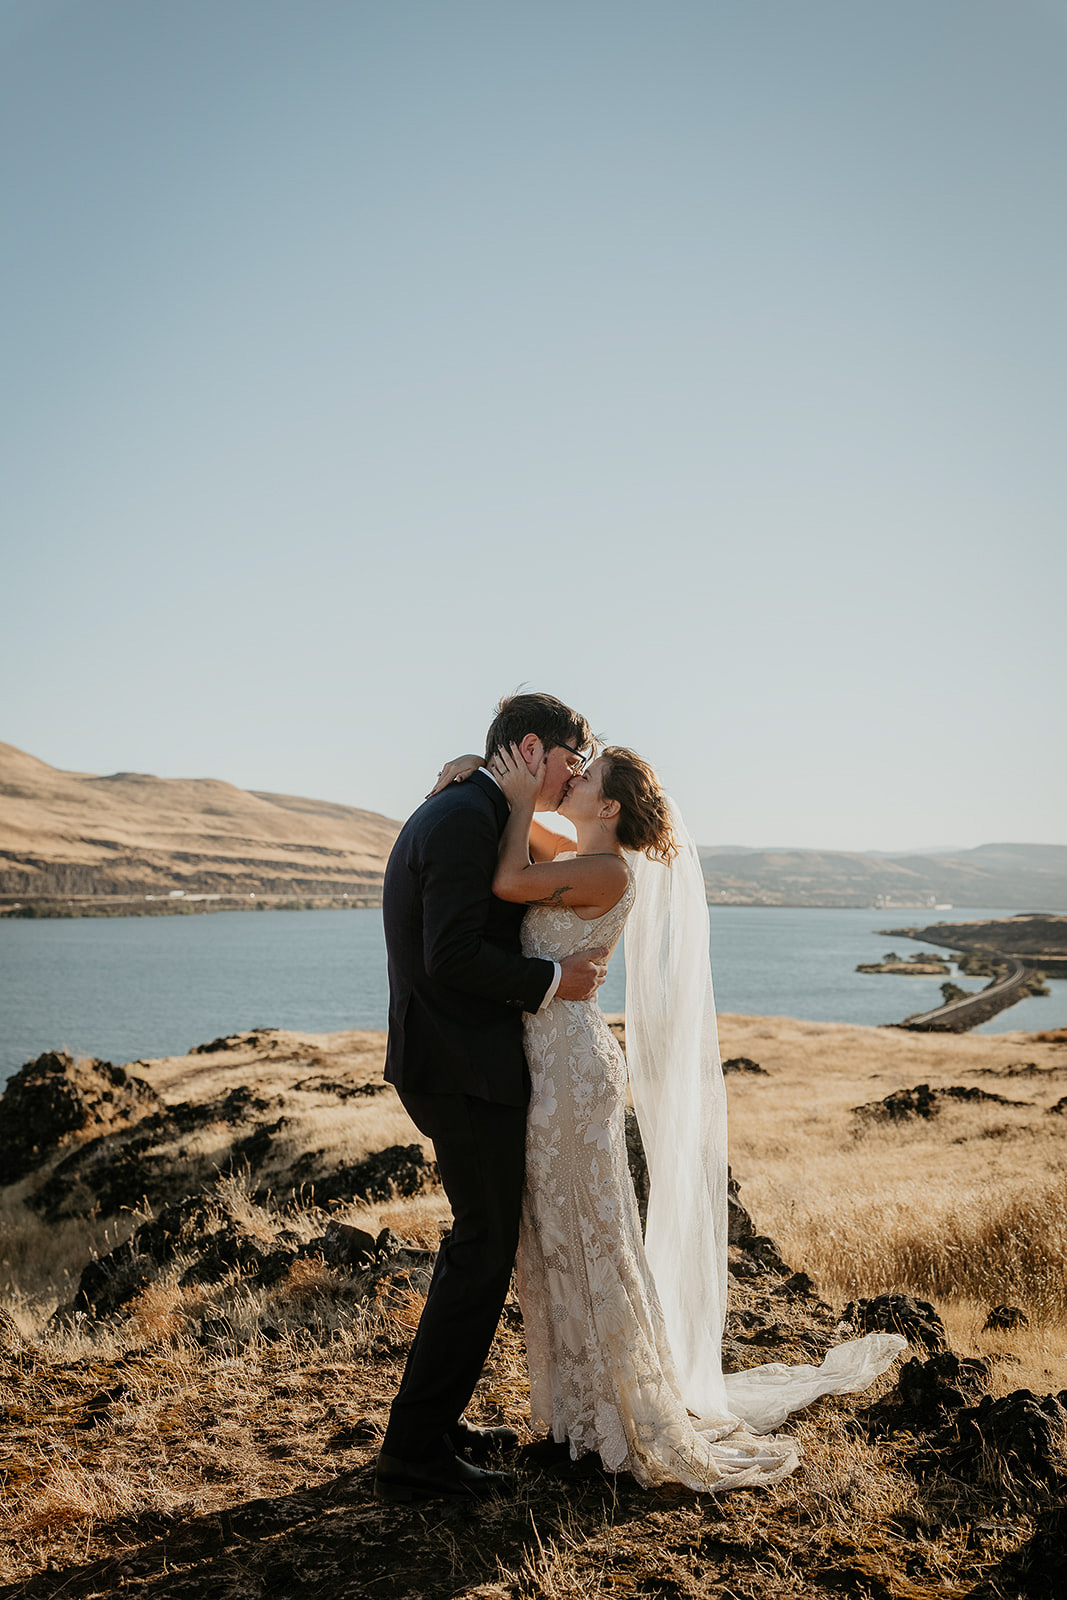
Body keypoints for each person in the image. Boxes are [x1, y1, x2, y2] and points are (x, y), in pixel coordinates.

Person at [438, 739, 906, 1491]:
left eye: (584, 777)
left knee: (589, 1233)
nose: (572, 779)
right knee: (566, 1231)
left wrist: (519, 793)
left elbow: (504, 878)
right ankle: (582, 1408)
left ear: (611, 805)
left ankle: (612, 1410)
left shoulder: (603, 869)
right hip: (552, 1061)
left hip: (570, 1070)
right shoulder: (576, 848)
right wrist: (469, 776)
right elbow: (516, 842)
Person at [373, 692, 610, 1503]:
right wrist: (552, 979)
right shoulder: (466, 816)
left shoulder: (473, 804)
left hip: (455, 1060)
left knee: (478, 1247)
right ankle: (413, 1451)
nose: (570, 777)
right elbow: (449, 957)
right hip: (459, 1065)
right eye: (569, 762)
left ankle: (431, 1428)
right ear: (534, 747)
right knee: (480, 1248)